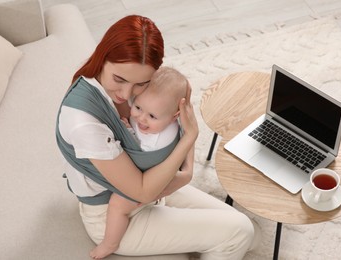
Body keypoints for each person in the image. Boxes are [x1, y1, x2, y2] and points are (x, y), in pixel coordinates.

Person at [56, 14, 254, 260]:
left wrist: (182, 155)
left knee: (241, 224)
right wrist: (189, 145)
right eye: (119, 79)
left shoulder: (143, 85)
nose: (127, 94)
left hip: (146, 186)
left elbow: (176, 114)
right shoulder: (84, 123)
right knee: (239, 232)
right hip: (111, 214)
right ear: (102, 56)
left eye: (141, 83)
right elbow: (143, 191)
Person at [90, 66, 190, 259]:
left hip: (149, 180)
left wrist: (129, 131)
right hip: (155, 177)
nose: (141, 118)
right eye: (137, 107)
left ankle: (110, 243)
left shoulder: (160, 140)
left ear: (175, 116)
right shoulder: (159, 113)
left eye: (152, 116)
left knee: (118, 205)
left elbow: (138, 156)